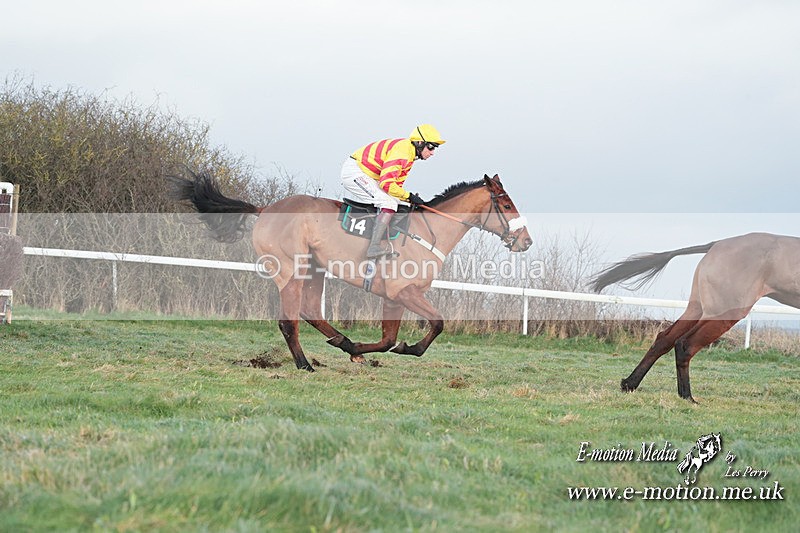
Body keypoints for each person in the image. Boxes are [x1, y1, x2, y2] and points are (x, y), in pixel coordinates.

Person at [341, 124, 445, 258]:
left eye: (434, 148)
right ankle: (373, 246)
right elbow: (387, 184)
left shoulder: (410, 156)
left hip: (370, 175)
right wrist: (409, 196)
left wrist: (408, 199)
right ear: (419, 143)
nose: (432, 152)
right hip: (355, 172)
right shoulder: (403, 152)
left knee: (402, 204)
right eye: (430, 147)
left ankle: (384, 237)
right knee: (388, 203)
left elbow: (396, 186)